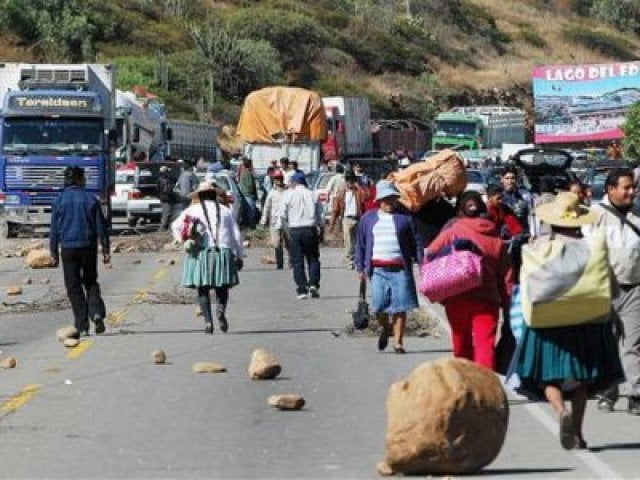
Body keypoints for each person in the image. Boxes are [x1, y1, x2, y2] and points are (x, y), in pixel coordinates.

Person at [510, 192, 624, 449]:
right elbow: (612, 290)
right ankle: (580, 435)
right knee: (581, 380)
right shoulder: (594, 248)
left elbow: (526, 286)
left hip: (547, 325)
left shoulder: (537, 248)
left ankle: (561, 411)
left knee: (549, 378)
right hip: (587, 323)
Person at [426, 191, 512, 370]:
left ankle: (465, 385)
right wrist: (507, 302)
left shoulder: (453, 231)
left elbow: (430, 255)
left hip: (457, 297)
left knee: (461, 343)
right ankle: (486, 390)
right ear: (483, 208)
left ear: (460, 209)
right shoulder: (495, 236)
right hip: (487, 299)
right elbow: (506, 275)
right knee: (485, 346)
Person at [584, 168, 640, 415]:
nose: (631, 192)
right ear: (610, 190)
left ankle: (636, 394)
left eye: (633, 187)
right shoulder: (595, 215)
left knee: (633, 344)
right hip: (604, 290)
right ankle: (608, 391)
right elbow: (588, 251)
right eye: (626, 188)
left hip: (634, 289)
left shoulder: (638, 215)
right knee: (607, 343)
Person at [355, 180, 420, 354]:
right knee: (379, 306)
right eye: (386, 199)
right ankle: (386, 327)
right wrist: (360, 267)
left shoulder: (405, 219)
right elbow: (360, 245)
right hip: (378, 270)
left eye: (393, 198)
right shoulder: (368, 219)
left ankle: (398, 342)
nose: (390, 202)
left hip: (400, 270)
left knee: (401, 307)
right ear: (379, 201)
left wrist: (421, 262)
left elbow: (415, 243)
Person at [171, 182, 244, 334]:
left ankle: (208, 322)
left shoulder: (192, 210)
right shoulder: (225, 211)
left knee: (202, 290)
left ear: (200, 196)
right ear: (214, 195)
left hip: (201, 253)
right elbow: (236, 235)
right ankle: (221, 309)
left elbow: (175, 226)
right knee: (222, 287)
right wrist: (239, 254)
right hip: (223, 252)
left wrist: (183, 241)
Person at [49, 166, 110, 337]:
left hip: (68, 248)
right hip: (88, 246)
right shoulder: (91, 199)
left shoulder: (59, 200)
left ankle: (82, 325)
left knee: (73, 286)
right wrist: (105, 248)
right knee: (90, 281)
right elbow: (101, 226)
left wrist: (53, 251)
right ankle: (96, 313)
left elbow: (54, 229)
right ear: (79, 180)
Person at [277, 171, 322, 299]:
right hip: (310, 229)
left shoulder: (288, 195)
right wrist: (321, 228)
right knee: (313, 258)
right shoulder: (312, 194)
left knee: (297, 261)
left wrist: (284, 231)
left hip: (295, 230)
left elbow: (282, 215)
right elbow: (320, 214)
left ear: (294, 182)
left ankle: (302, 289)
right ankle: (313, 284)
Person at [329, 170, 367, 269]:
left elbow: (366, 197)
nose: (350, 183)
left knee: (358, 241)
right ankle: (349, 260)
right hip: (346, 219)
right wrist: (332, 224)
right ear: (345, 181)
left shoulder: (358, 191)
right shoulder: (341, 192)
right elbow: (335, 208)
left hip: (357, 218)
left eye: (352, 180)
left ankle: (357, 260)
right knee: (348, 242)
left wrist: (359, 187)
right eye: (348, 181)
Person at [260, 170, 288, 270]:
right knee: (277, 243)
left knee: (289, 243)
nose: (278, 180)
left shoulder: (288, 191)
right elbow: (267, 207)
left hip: (287, 221)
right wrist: (263, 221)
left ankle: (292, 263)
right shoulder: (271, 193)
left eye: (280, 178)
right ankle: (280, 263)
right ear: (274, 180)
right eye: (276, 179)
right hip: (275, 222)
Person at [157, 166, 177, 231]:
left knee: (166, 213)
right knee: (167, 213)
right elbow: (166, 190)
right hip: (166, 199)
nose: (168, 173)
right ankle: (163, 228)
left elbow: (158, 190)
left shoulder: (163, 179)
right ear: (164, 172)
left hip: (165, 198)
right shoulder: (163, 180)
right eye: (167, 172)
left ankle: (166, 228)